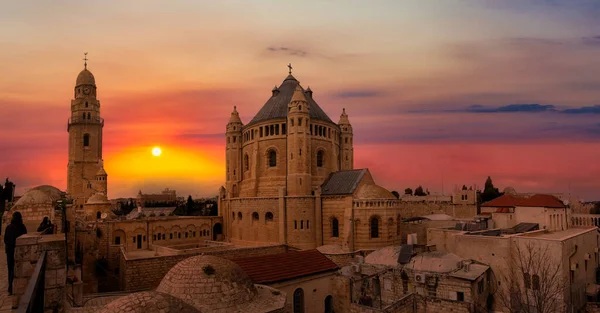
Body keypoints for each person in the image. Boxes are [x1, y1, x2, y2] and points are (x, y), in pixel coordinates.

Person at [4, 211, 27, 295]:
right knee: (18, 269)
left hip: (10, 251)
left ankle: (10, 288)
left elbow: (5, 239)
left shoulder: (9, 227)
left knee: (10, 269)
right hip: (19, 251)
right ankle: (19, 287)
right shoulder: (22, 227)